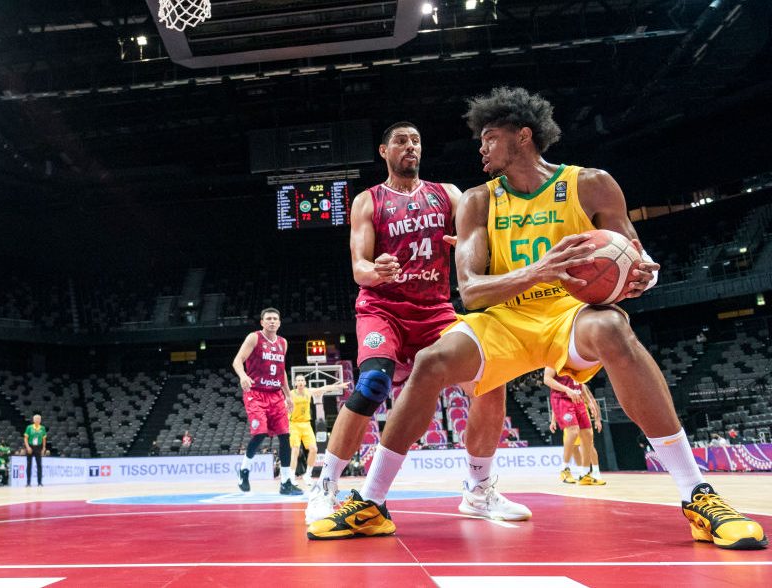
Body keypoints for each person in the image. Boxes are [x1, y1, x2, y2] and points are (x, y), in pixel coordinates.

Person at [312, 87, 766, 550]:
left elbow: (635, 257)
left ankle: (697, 495)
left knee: (612, 327)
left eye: (489, 138)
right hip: (505, 319)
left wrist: (643, 278)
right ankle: (371, 502)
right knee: (431, 362)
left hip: (569, 315)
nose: (481, 148)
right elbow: (470, 290)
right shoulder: (477, 200)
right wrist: (538, 271)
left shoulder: (591, 184)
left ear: (522, 136)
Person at [306, 121, 509, 532]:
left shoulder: (448, 193)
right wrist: (374, 270)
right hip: (384, 309)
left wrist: (469, 244)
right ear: (384, 151)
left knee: (491, 379)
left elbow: (481, 239)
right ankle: (324, 485)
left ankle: (478, 486)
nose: (410, 147)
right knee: (372, 385)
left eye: (416, 140)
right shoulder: (368, 201)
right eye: (401, 141)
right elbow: (359, 268)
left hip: (436, 311)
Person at [231, 308, 301, 495]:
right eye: (268, 319)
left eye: (275, 319)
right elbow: (237, 360)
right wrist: (243, 376)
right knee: (260, 433)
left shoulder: (283, 343)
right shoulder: (254, 338)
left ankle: (286, 482)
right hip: (256, 393)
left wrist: (288, 395)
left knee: (286, 436)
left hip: (276, 395)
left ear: (279, 323)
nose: (272, 321)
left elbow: (281, 371)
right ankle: (244, 471)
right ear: (262, 322)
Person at [546, 366, 603, 485]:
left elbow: (581, 385)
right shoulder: (554, 358)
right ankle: (564, 469)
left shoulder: (577, 361)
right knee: (573, 431)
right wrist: (566, 389)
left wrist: (589, 402)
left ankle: (585, 474)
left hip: (578, 399)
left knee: (588, 435)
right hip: (562, 398)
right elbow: (547, 379)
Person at [288, 375, 348, 487]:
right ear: (295, 383)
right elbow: (284, 406)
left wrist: (338, 386)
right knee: (295, 451)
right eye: (298, 381)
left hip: (306, 424)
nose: (300, 382)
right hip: (294, 424)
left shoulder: (308, 391)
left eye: (302, 380)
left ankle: (307, 475)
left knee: (314, 449)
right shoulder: (291, 394)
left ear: (305, 383)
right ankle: (291, 478)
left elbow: (324, 388)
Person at [24, 414, 47, 487]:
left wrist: (43, 448)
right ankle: (28, 483)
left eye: (39, 419)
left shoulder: (42, 428)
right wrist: (27, 447)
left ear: (40, 420)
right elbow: (25, 438)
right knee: (29, 464)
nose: (37, 420)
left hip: (38, 447)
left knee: (39, 465)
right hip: (30, 446)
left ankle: (39, 482)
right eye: (36, 419)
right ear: (33, 420)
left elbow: (44, 439)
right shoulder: (29, 427)